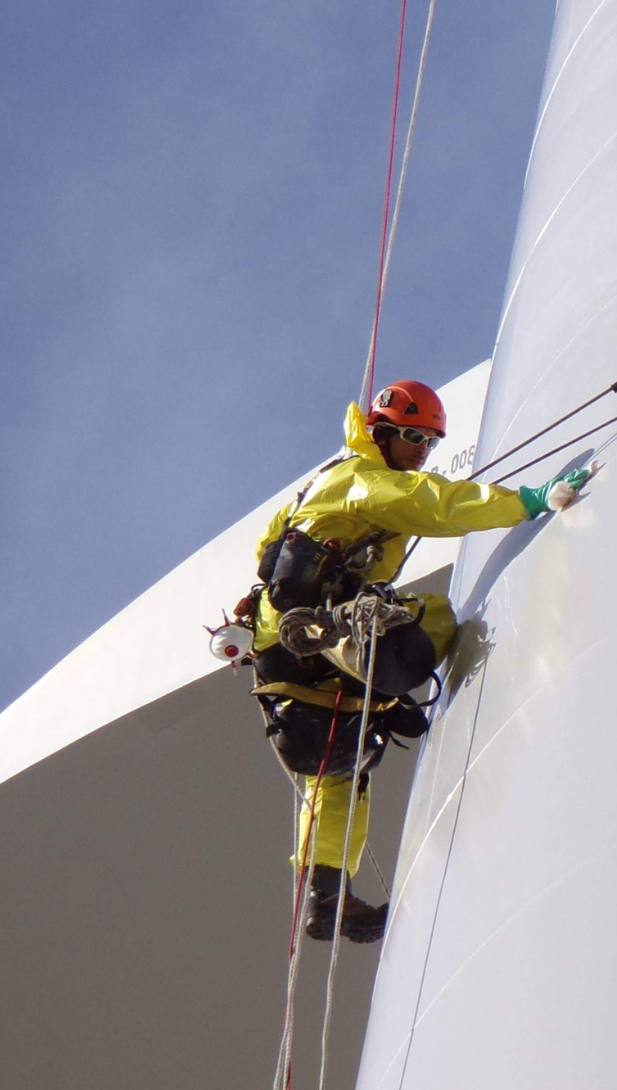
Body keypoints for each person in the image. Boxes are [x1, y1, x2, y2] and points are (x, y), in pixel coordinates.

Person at [243, 380, 589, 942]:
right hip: (312, 628)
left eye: (430, 442)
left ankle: (325, 896)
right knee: (436, 617)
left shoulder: (321, 487)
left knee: (339, 767)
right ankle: (366, 654)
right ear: (380, 432)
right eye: (412, 437)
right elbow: (434, 504)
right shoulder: (361, 478)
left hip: (288, 649)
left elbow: (267, 549)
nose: (422, 451)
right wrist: (528, 501)